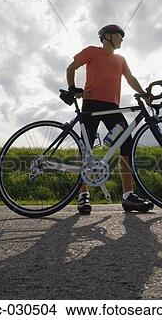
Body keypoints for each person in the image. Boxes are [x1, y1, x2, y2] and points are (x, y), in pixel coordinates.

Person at [66, 24, 154, 215]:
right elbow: (71, 67)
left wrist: (143, 93)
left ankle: (128, 196)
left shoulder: (121, 59)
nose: (122, 39)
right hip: (91, 103)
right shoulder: (92, 51)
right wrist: (73, 88)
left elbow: (130, 77)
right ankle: (83, 195)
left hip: (112, 107)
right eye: (118, 36)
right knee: (84, 148)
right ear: (107, 37)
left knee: (126, 143)